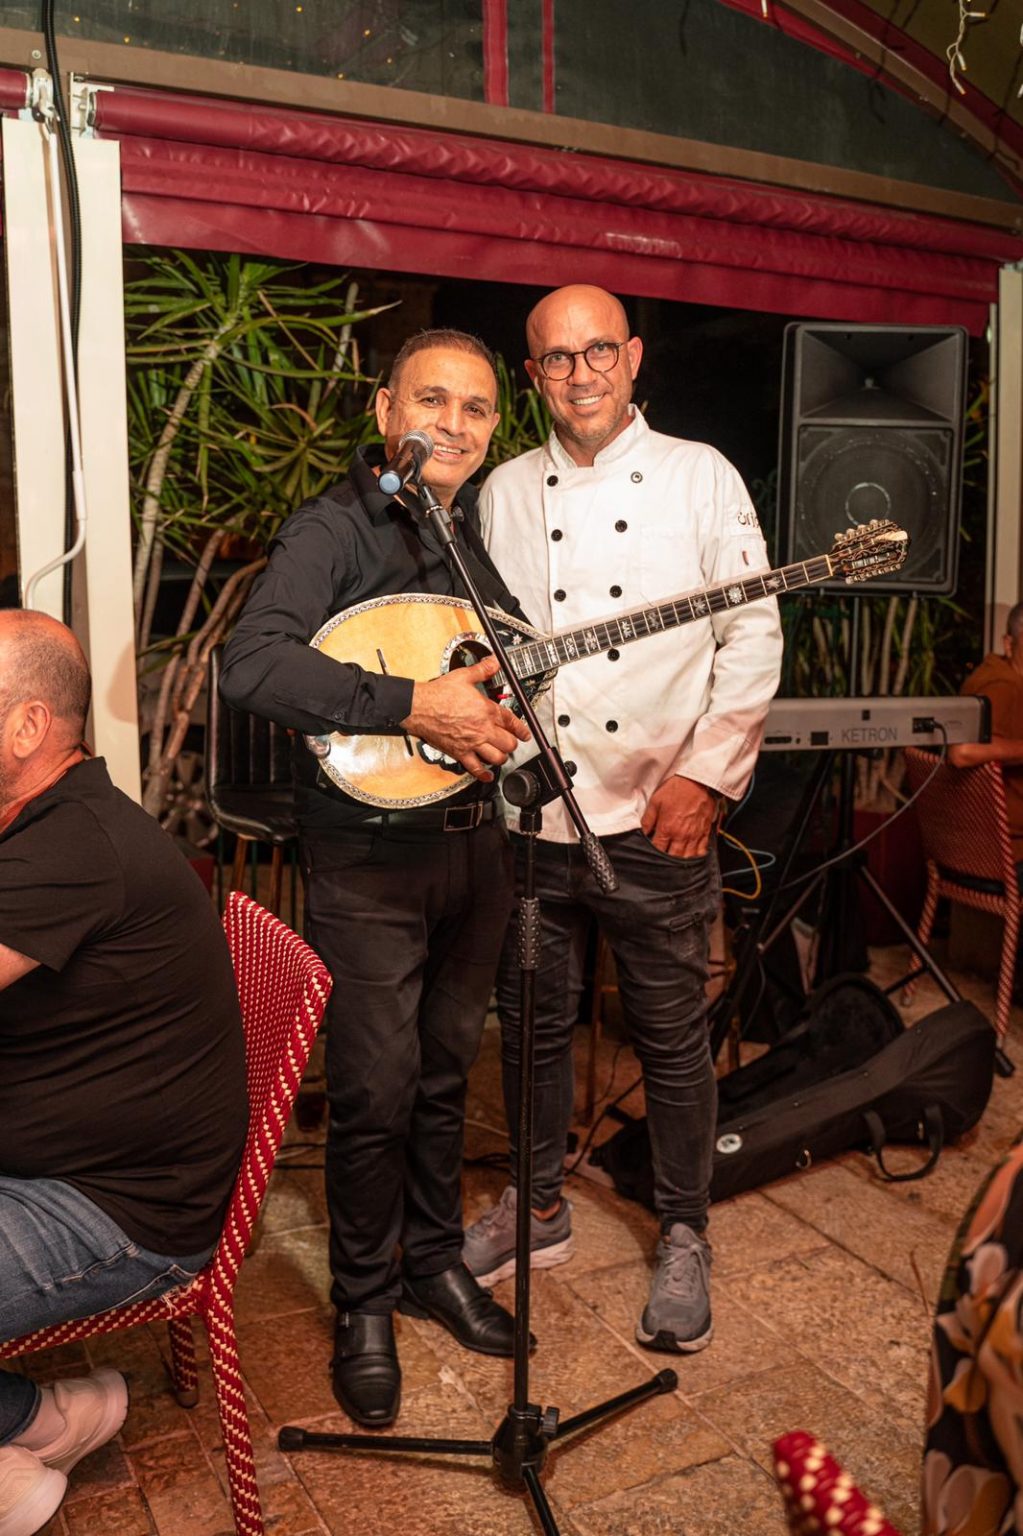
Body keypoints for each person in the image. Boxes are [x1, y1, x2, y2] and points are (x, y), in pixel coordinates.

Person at [220, 329, 532, 1430]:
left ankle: (431, 1264)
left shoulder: (465, 534)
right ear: (383, 407)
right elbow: (252, 663)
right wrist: (408, 705)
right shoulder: (332, 528)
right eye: (432, 400)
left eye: (477, 409)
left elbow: (488, 670)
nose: (454, 424)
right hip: (365, 858)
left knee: (447, 1073)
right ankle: (362, 1302)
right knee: (374, 1089)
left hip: (474, 846)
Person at [463, 284, 784, 1355]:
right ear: (532, 376)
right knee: (533, 1025)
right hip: (532, 811)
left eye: (598, 350)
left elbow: (751, 634)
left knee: (671, 1037)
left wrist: (708, 776)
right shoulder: (503, 490)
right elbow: (487, 640)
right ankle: (538, 1205)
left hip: (658, 813)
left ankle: (685, 1229)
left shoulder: (700, 475)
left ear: (634, 357)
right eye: (557, 359)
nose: (581, 374)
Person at [0, 611, 247, 1536]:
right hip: (61, 1159)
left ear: (27, 727)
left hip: (117, 1215)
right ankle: (37, 1423)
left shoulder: (73, 848)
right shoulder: (41, 819)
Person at [950, 600, 1023, 858]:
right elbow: (962, 751)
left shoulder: (993, 669)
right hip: (1004, 855)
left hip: (966, 847)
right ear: (1009, 644)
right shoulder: (1005, 686)